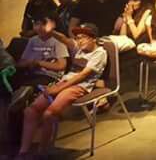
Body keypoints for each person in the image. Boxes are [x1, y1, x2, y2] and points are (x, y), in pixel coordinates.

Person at [18, 23, 107, 158]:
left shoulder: (100, 53)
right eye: (78, 38)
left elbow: (82, 76)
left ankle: (43, 152)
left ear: (93, 38)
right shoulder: (79, 48)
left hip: (79, 86)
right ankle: (23, 152)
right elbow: (64, 39)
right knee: (30, 110)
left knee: (49, 114)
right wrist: (51, 31)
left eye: (83, 37)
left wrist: (58, 88)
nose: (79, 40)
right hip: (64, 83)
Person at [10, 15, 69, 111]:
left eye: (44, 24)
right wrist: (28, 63)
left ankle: (20, 101)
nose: (40, 27)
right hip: (31, 72)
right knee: (11, 79)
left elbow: (61, 66)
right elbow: (22, 61)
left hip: (50, 76)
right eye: (37, 24)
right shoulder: (33, 40)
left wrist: (39, 63)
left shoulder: (58, 42)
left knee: (28, 86)